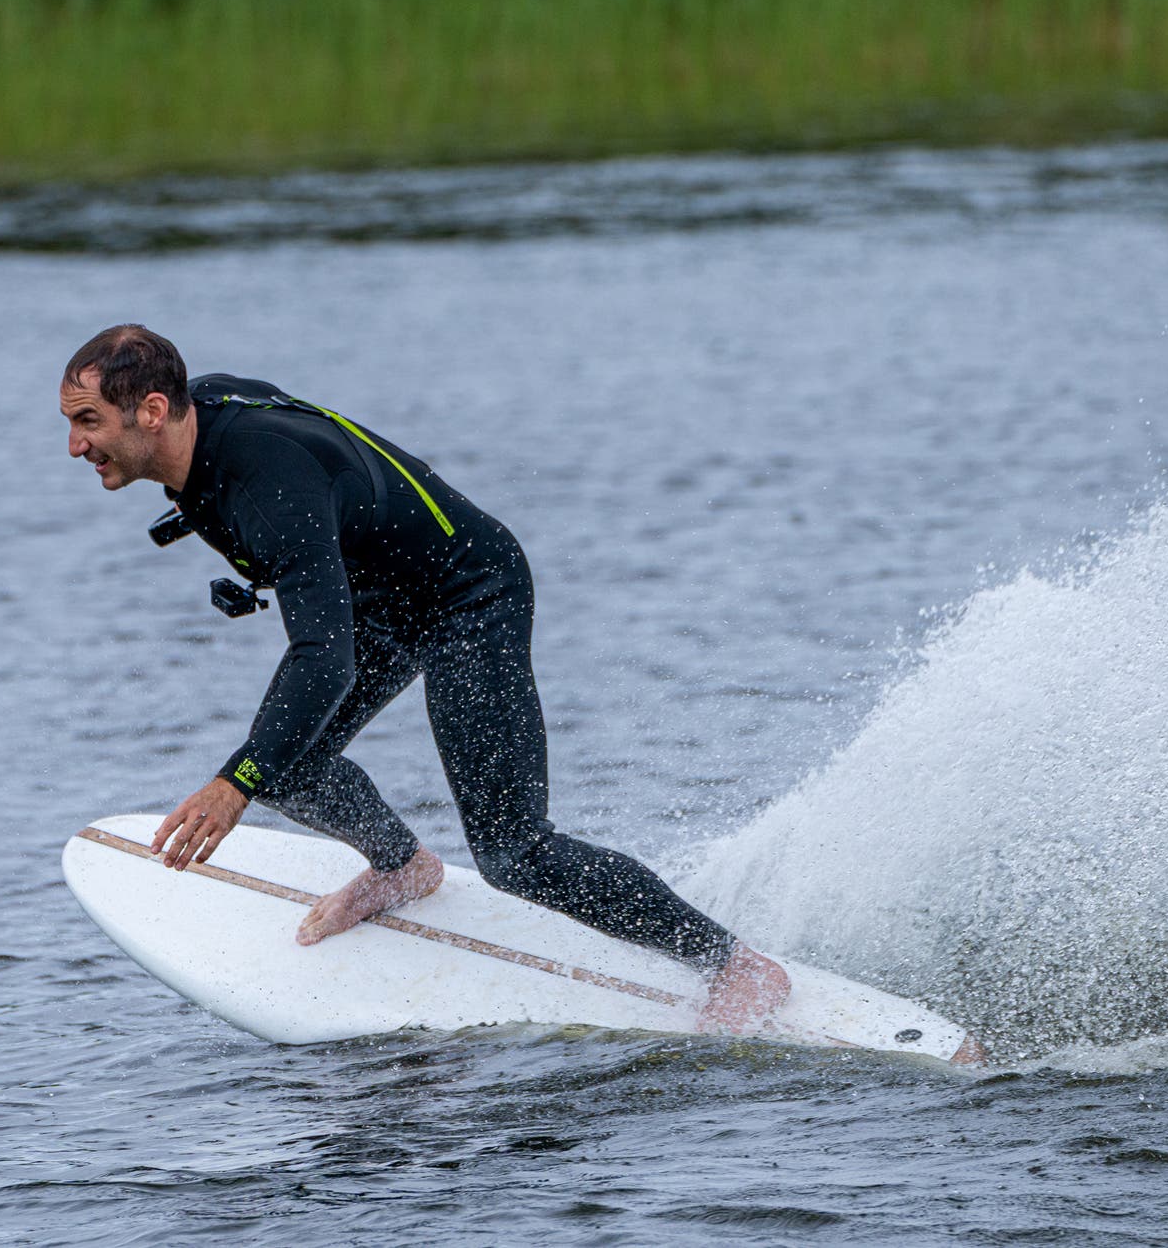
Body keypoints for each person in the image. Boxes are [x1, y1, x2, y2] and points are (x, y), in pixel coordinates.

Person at [59, 323, 791, 1032]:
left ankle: (733, 964)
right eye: (70, 423)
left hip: (466, 594)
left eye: (87, 421)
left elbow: (322, 656)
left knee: (515, 852)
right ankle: (402, 865)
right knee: (285, 762)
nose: (75, 444)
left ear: (152, 411)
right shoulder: (203, 422)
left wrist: (232, 783)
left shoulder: (263, 474)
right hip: (383, 601)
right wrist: (255, 766)